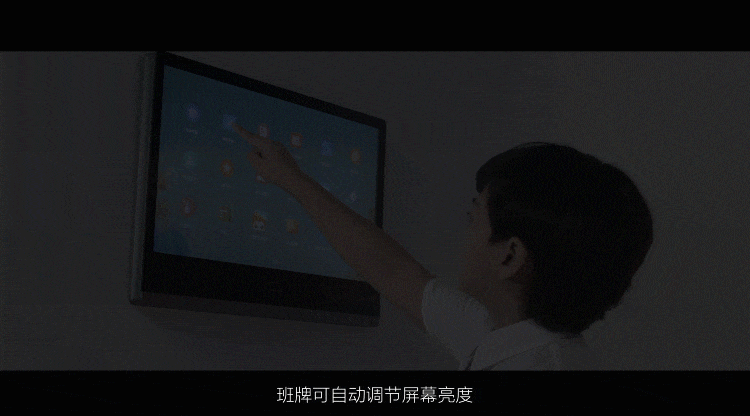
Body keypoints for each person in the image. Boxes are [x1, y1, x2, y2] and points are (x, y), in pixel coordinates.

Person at [232, 122, 653, 370]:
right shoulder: (504, 335)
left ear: (509, 256)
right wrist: (292, 180)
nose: (464, 231)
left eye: (474, 215)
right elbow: (394, 272)